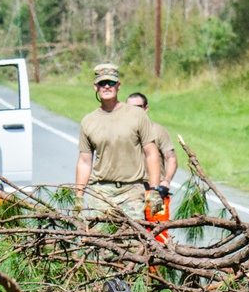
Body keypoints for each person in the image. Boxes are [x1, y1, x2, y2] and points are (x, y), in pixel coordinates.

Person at [75, 63, 162, 219]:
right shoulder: (88, 121)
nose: (107, 86)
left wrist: (155, 190)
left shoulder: (137, 115)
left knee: (133, 241)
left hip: (132, 191)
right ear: (95, 86)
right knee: (100, 240)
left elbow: (152, 153)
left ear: (118, 86)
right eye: (102, 83)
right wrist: (79, 197)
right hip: (100, 192)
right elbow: (84, 162)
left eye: (111, 82)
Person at [127, 92, 176, 240]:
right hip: (130, 191)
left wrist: (166, 181)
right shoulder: (123, 132)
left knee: (159, 235)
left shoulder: (158, 131)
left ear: (146, 108)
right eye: (130, 108)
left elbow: (171, 159)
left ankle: (158, 264)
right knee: (130, 234)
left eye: (138, 107)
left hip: (155, 191)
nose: (134, 112)